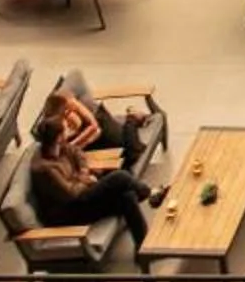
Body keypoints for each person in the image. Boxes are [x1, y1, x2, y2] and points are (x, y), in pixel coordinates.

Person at [24, 118, 162, 252]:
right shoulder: (44, 169)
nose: (69, 130)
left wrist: (83, 172)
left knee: (127, 197)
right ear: (59, 137)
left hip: (82, 195)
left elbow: (78, 153)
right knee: (119, 176)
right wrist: (85, 179)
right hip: (69, 212)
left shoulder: (60, 147)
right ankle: (149, 193)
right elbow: (71, 194)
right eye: (66, 129)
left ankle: (142, 249)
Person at [39, 85, 151, 174]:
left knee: (132, 150)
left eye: (69, 110)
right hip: (98, 144)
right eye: (66, 112)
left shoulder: (68, 102)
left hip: (102, 123)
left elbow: (95, 126)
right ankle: (133, 118)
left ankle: (131, 118)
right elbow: (91, 133)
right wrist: (83, 141)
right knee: (133, 151)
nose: (70, 111)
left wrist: (74, 144)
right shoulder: (56, 128)